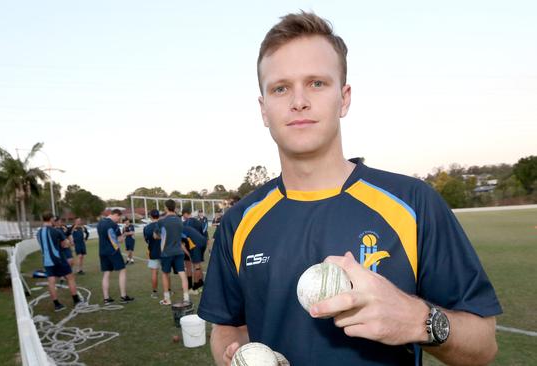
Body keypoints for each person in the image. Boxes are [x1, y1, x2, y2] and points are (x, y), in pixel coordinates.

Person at [198, 11, 501, 366]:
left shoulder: (414, 203)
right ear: (264, 110)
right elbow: (227, 329)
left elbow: (483, 346)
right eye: (281, 88)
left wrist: (417, 320)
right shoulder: (239, 221)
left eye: (316, 83)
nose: (299, 101)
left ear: (344, 98)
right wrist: (232, 356)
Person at [36, 213, 81, 312]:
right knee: (70, 277)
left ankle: (57, 304)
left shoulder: (38, 232)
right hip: (58, 258)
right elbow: (66, 244)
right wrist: (64, 244)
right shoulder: (55, 231)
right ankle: (76, 299)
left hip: (46, 260)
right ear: (51, 219)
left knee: (51, 281)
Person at [155, 199, 190, 306]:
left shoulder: (161, 221)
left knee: (165, 274)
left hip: (166, 253)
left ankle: (167, 299)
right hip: (179, 251)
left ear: (166, 208)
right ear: (174, 208)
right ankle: (186, 298)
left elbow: (155, 235)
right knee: (182, 274)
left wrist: (162, 236)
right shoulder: (179, 220)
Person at [97, 209, 134, 304]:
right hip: (113, 251)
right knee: (122, 270)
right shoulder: (113, 224)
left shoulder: (100, 223)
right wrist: (124, 234)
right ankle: (123, 296)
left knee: (106, 273)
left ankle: (106, 298)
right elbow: (120, 239)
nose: (118, 220)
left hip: (102, 251)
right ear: (116, 215)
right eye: (119, 217)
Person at [181, 225, 207, 295]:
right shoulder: (185, 227)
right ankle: (200, 283)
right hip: (203, 241)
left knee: (196, 266)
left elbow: (182, 246)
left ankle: (195, 288)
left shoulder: (177, 230)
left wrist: (189, 255)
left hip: (196, 244)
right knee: (198, 263)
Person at [143, 209, 162, 298]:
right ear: (159, 216)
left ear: (150, 216)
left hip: (153, 252)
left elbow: (146, 240)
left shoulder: (146, 228)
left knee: (154, 273)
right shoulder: (162, 225)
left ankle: (154, 293)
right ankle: (168, 291)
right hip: (164, 252)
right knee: (166, 272)